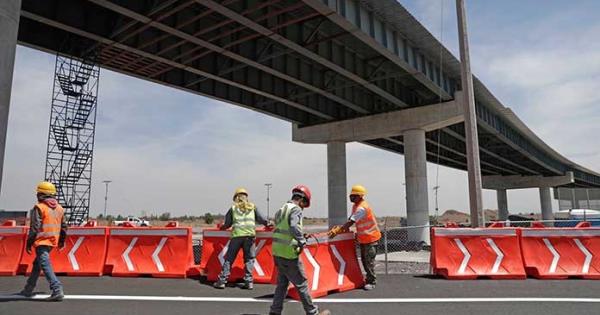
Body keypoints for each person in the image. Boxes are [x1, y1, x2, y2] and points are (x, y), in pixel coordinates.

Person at [269, 185, 330, 315]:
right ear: (301, 199)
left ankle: (275, 311)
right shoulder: (296, 209)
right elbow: (293, 226)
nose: (303, 207)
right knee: (301, 284)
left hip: (277, 251)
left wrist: (301, 235)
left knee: (282, 284)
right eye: (304, 204)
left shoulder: (282, 209)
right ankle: (312, 312)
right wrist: (302, 241)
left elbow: (284, 228)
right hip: (289, 253)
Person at [213, 188, 271, 290]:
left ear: (236, 198)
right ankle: (249, 282)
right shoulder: (252, 207)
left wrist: (221, 227)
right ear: (246, 197)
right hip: (249, 236)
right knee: (249, 259)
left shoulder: (233, 208)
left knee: (229, 259)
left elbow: (227, 224)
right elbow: (262, 219)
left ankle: (222, 281)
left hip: (237, 236)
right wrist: (269, 224)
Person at [20, 181, 67, 301]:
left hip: (41, 241)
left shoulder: (39, 207)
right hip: (52, 242)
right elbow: (64, 227)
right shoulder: (60, 209)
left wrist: (29, 243)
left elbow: (34, 227)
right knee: (38, 264)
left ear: (41, 194)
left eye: (38, 193)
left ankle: (57, 289)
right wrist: (61, 241)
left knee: (45, 265)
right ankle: (28, 289)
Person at [328, 184, 381, 290]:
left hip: (371, 239)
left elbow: (351, 222)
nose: (351, 197)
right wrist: (342, 228)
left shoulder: (362, 208)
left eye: (354, 195)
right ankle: (369, 279)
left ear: (360, 196)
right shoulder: (356, 206)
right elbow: (351, 218)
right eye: (351, 195)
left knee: (368, 262)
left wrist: (339, 230)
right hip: (364, 239)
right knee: (365, 261)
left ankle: (372, 281)